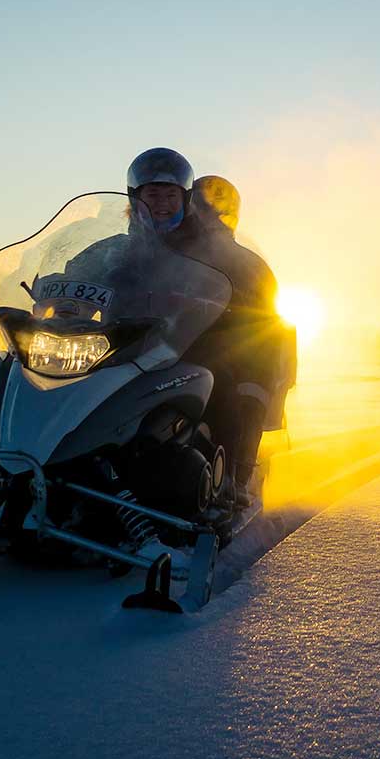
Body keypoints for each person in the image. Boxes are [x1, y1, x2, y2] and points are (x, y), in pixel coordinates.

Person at [122, 149, 290, 505]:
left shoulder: (228, 257)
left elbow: (261, 310)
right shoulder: (125, 248)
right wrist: (59, 284)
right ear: (135, 197)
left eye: (171, 195)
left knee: (230, 381)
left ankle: (231, 479)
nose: (162, 204)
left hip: (198, 344)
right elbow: (95, 269)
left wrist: (227, 313)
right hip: (129, 345)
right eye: (153, 194)